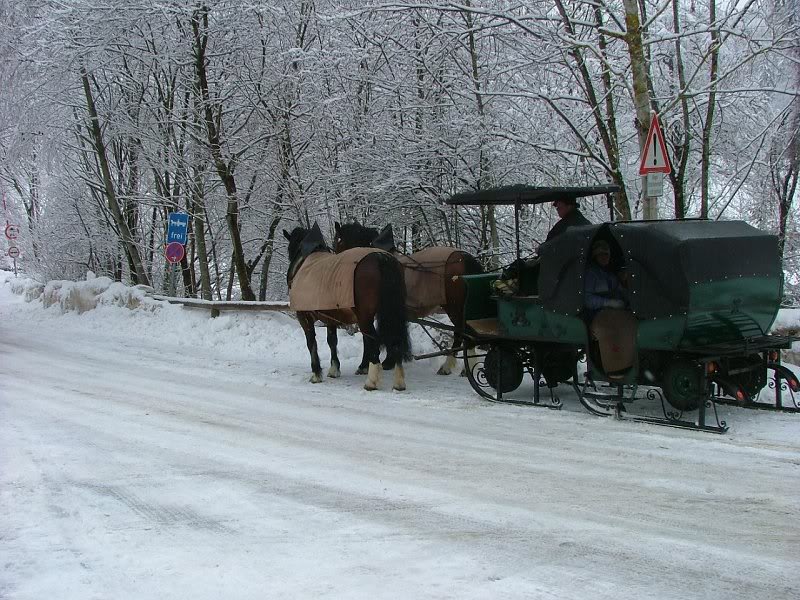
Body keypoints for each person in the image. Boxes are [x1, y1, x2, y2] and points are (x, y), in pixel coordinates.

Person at [583, 239, 636, 379]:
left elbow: (620, 291)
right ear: (595, 256)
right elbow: (587, 299)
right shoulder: (591, 274)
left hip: (612, 312)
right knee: (613, 328)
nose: (605, 257)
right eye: (601, 255)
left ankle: (627, 362)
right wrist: (608, 303)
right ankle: (613, 366)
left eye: (607, 254)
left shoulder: (610, 275)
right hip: (596, 314)